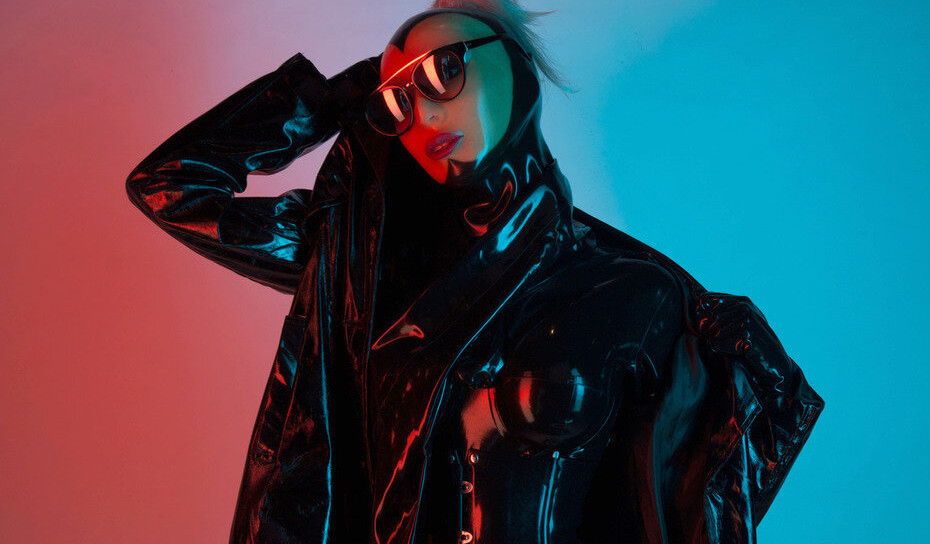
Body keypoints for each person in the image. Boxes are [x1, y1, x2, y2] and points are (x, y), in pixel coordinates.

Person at [125, 1, 824, 543]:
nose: (424, 111)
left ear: (517, 67)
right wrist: (334, 98)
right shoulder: (361, 270)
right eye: (396, 102)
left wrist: (754, 384)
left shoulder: (637, 293)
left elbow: (691, 497)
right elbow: (171, 187)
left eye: (442, 72)